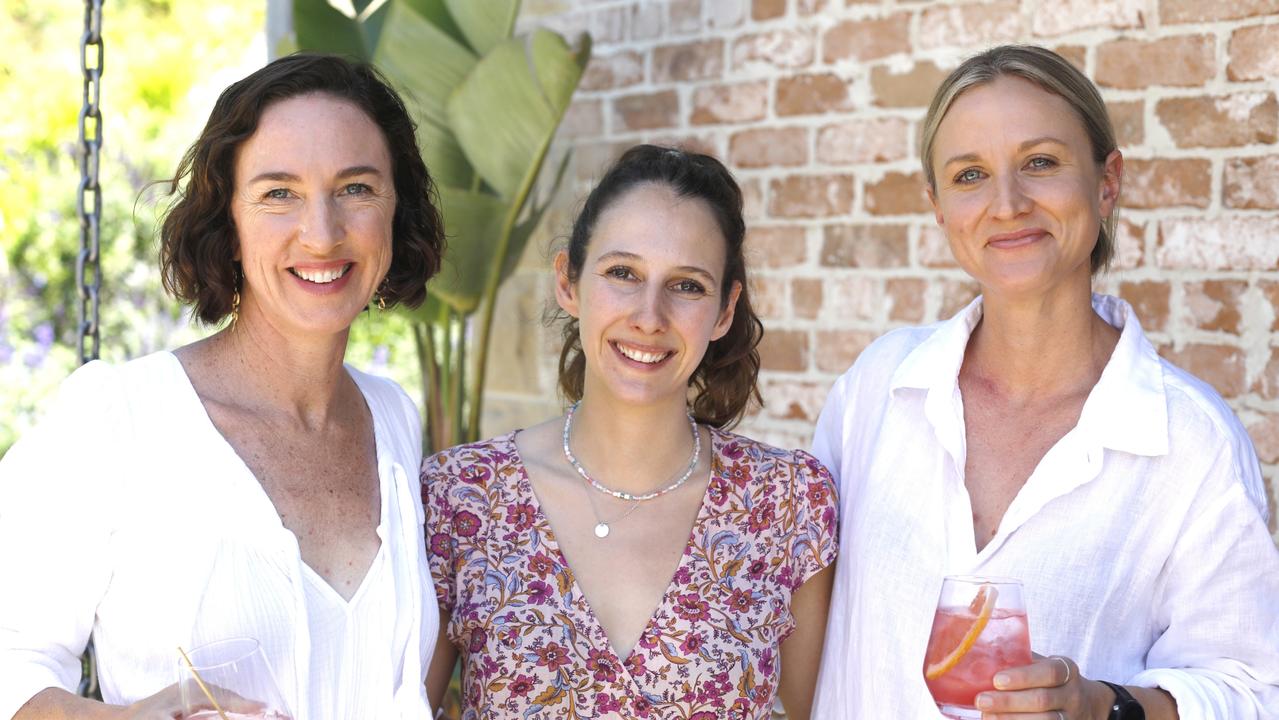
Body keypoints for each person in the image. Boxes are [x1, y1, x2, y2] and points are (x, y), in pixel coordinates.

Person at [811, 44, 1279, 720]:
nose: (1006, 203)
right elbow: (793, 620)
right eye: (969, 174)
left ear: (1105, 181)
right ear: (938, 207)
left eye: (1039, 163)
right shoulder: (876, 390)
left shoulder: (1190, 442)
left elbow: (1252, 690)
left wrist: (1105, 707)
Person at [0, 53, 445, 719]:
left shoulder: (395, 419)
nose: (321, 233)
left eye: (355, 188)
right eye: (278, 193)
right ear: (227, 224)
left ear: (394, 210)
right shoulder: (117, 418)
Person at [422, 144, 838, 719]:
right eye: (623, 273)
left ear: (723, 310)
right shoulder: (461, 496)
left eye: (687, 285)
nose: (649, 315)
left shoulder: (788, 502)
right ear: (568, 281)